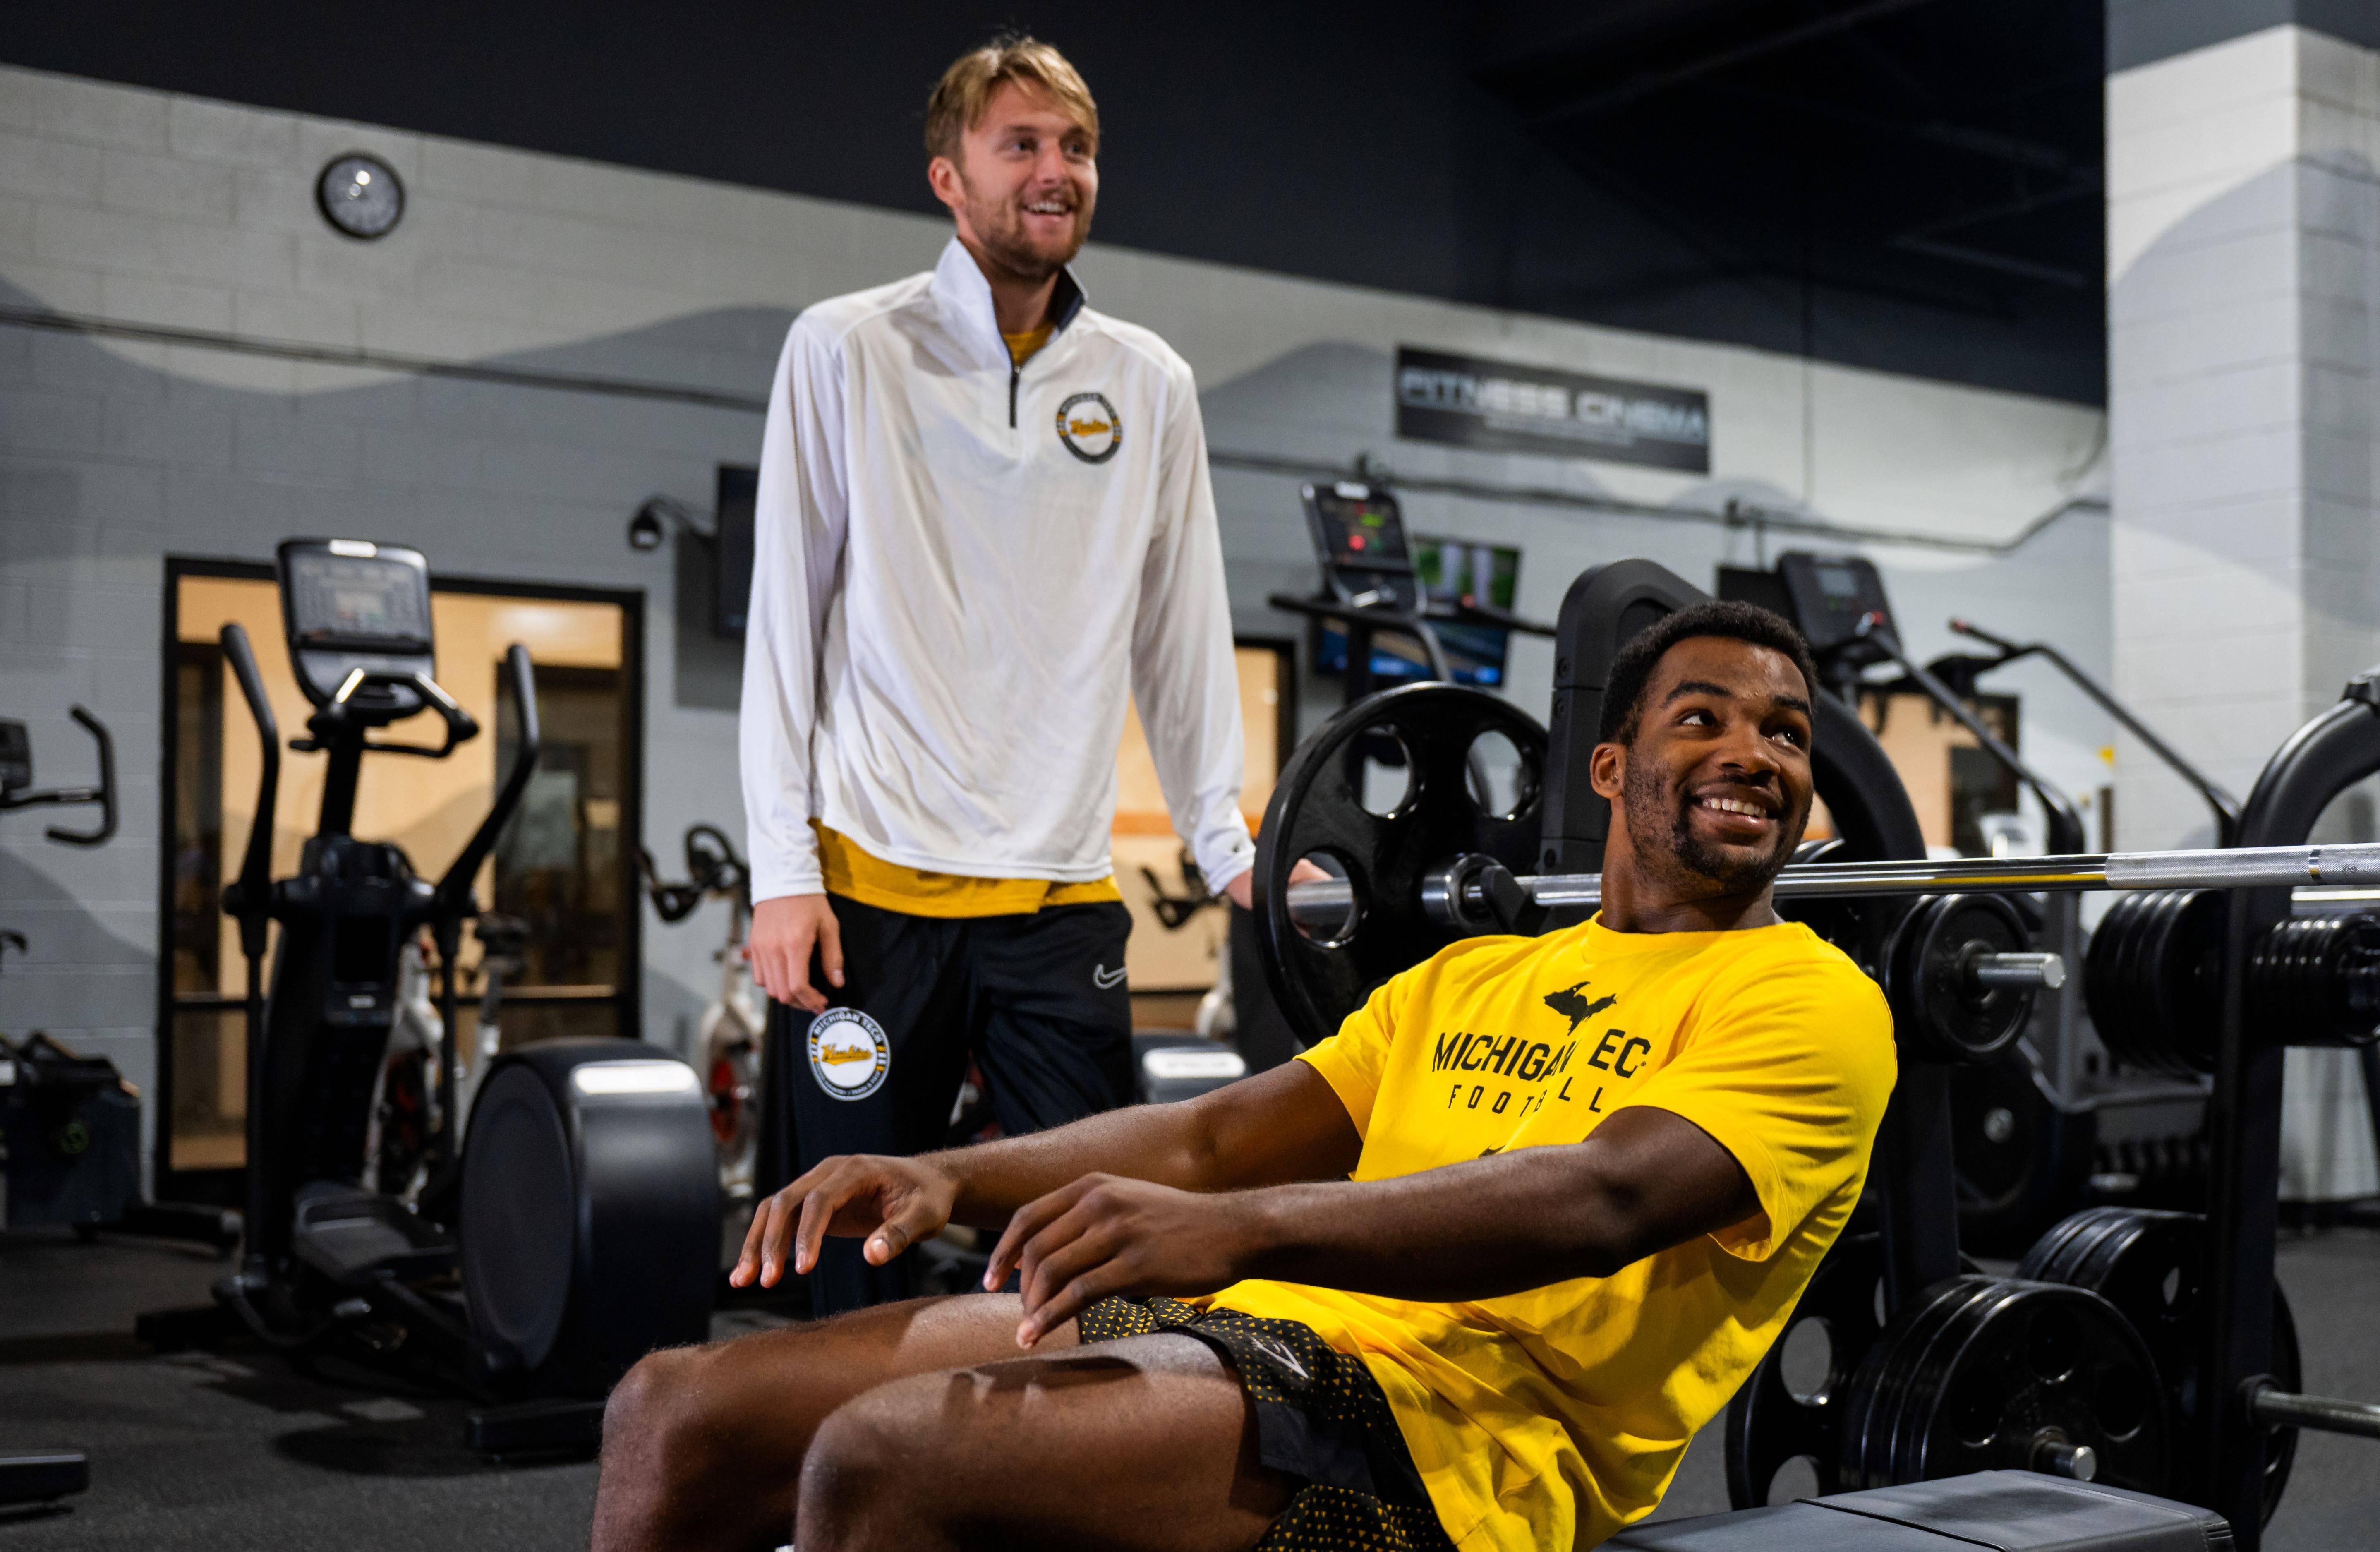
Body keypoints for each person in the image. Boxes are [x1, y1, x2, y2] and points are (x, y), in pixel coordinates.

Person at [599, 602, 1898, 1552]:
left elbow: (1602, 1199)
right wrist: (945, 1172)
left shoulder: (1815, 1002)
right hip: (1248, 1334)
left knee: (885, 1461)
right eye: (1704, 720)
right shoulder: (1474, 977)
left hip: (1462, 1435)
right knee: (679, 1406)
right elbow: (1220, 1140)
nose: (1758, 754)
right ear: (1611, 772)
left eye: (1785, 734)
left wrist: (1227, 1236)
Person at [739, 36, 1256, 1314]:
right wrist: (781, 877)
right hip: (868, 901)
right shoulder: (845, 348)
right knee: (850, 1260)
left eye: (1075, 147)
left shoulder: (1150, 383)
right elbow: (781, 628)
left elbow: (1184, 631)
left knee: (1087, 1254)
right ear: (949, 179)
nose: (1054, 171)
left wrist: (1226, 837)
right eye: (1018, 144)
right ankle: (838, 1512)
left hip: (1057, 906)